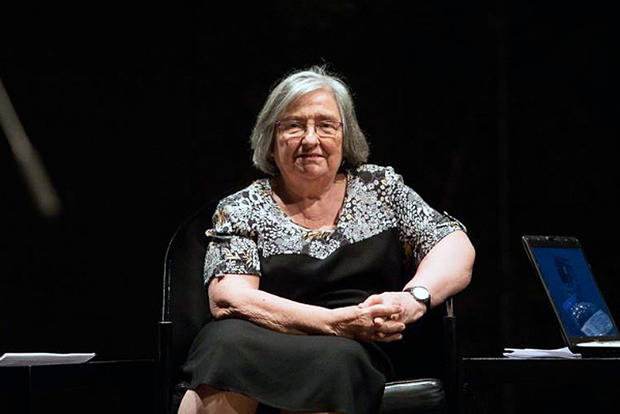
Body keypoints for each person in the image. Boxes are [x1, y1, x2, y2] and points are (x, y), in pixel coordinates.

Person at [177, 66, 475, 414]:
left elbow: (453, 245)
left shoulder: (380, 190)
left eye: (325, 125)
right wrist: (334, 323)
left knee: (337, 359)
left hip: (355, 344)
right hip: (263, 335)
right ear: (271, 141)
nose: (310, 139)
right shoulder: (242, 207)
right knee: (223, 345)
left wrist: (414, 298)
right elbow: (230, 298)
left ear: (345, 137)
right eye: (294, 126)